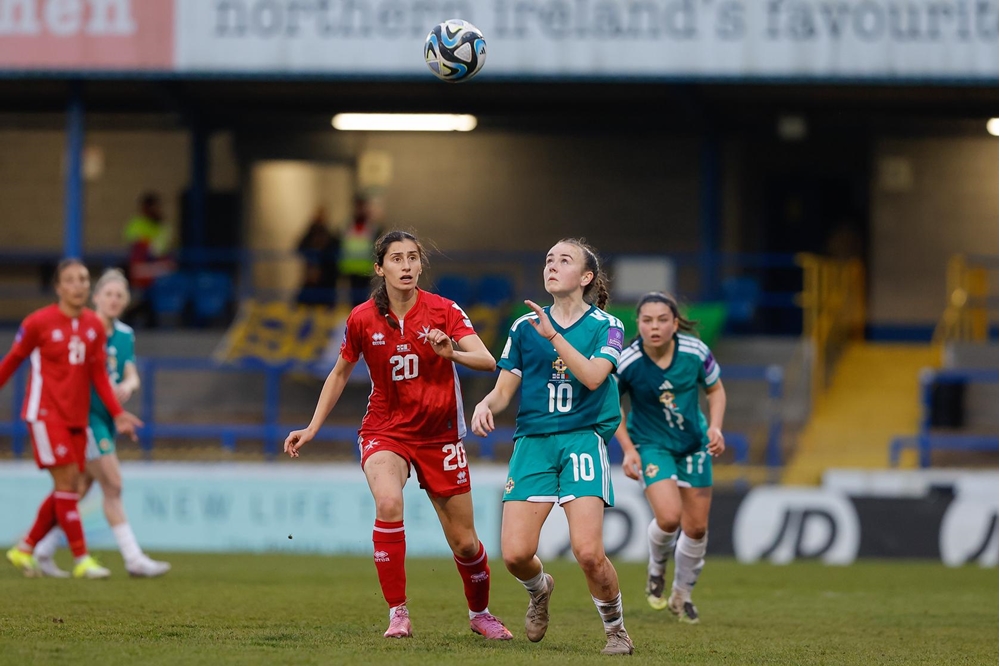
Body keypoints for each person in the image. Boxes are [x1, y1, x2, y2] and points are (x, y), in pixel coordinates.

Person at [284, 230, 512, 641]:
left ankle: (480, 614)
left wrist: (451, 352)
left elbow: (487, 360)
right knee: (389, 502)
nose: (406, 266)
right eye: (396, 259)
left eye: (412, 258)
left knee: (464, 543)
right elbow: (339, 373)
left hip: (440, 435)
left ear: (421, 265)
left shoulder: (444, 310)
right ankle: (398, 613)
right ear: (379, 268)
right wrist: (312, 426)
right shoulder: (361, 318)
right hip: (385, 430)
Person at [471, 238, 635, 656]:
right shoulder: (523, 327)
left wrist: (555, 336)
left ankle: (616, 631)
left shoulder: (608, 325)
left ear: (586, 277)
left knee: (589, 553)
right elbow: (504, 390)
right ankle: (540, 589)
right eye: (548, 259)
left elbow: (594, 377)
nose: (552, 265)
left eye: (564, 260)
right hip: (533, 442)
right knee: (515, 555)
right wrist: (486, 404)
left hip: (582, 438)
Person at [1, 259, 143, 579]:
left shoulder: (93, 326)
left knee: (68, 486)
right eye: (70, 280)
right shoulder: (38, 322)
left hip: (77, 417)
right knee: (68, 483)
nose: (78, 285)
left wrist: (118, 414)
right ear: (58, 287)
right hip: (45, 413)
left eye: (83, 279)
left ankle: (25, 547)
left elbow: (98, 375)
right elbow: (13, 360)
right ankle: (81, 559)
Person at [31, 269, 171, 578]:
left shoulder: (125, 335)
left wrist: (129, 386)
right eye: (108, 294)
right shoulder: (84, 329)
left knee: (78, 487)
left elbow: (130, 372)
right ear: (96, 297)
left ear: (126, 301)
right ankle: (133, 558)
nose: (114, 300)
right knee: (113, 484)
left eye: (120, 295)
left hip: (107, 418)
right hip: (85, 417)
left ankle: (39, 547)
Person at [614, 292, 727, 623]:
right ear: (638, 323)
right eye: (647, 320)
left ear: (675, 324)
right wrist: (628, 449)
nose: (655, 327)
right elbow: (610, 405)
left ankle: (681, 595)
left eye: (662, 320)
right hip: (651, 445)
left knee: (696, 528)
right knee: (668, 518)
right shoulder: (626, 361)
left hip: (694, 444)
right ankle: (656, 567)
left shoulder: (695, 352)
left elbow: (716, 389)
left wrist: (715, 428)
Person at [339, 195, 379, 307]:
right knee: (353, 301)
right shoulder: (347, 226)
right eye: (358, 206)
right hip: (350, 268)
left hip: (366, 269)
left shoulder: (373, 227)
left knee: (365, 300)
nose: (360, 210)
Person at [296, 207, 341, 307]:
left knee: (326, 300)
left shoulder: (329, 235)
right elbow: (300, 246)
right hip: (311, 275)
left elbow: (335, 249)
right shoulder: (310, 233)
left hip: (326, 275)